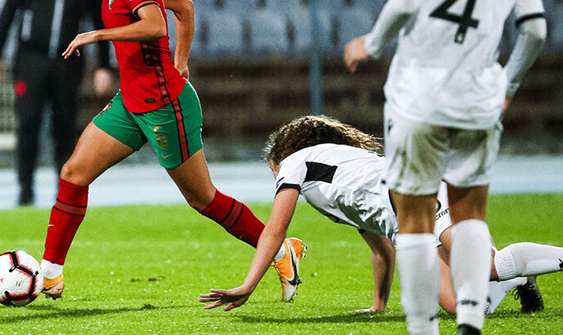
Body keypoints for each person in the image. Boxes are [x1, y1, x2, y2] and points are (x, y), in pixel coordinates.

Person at [343, 0, 546, 335]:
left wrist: (371, 44)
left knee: (414, 222)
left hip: (418, 96)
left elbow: (406, 1)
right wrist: (508, 83)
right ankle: (471, 328)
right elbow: (534, 30)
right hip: (478, 98)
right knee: (470, 214)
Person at [38, 0, 303, 300]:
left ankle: (282, 251)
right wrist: (181, 61)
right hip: (131, 103)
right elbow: (186, 7)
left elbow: (156, 25)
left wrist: (99, 34)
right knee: (74, 173)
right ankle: (50, 274)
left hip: (164, 107)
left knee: (203, 199)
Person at [199, 116, 560, 318]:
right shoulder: (340, 178)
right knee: (459, 307)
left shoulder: (296, 163)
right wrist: (378, 305)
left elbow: (275, 230)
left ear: (283, 155)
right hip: (408, 222)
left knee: (486, 266)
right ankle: (519, 277)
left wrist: (248, 285)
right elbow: (381, 249)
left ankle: (525, 264)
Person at [0, 0, 114, 206]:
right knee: (28, 123)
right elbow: (6, 11)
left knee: (65, 126)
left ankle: (65, 190)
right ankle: (25, 189)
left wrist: (104, 66)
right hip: (30, 61)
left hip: (68, 63)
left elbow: (101, 24)